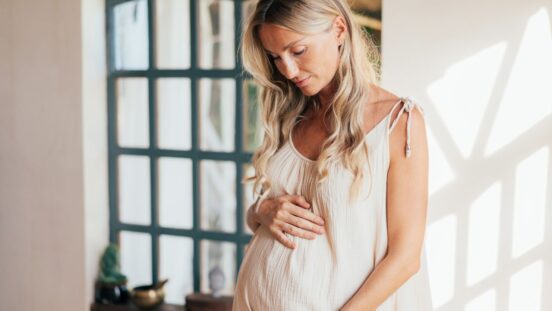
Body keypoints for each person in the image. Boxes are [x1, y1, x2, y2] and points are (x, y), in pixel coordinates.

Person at [233, 0, 432, 310]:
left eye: (297, 51)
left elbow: (405, 258)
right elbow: (264, 215)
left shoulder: (398, 122)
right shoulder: (292, 112)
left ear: (339, 29)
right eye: (275, 57)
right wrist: (261, 212)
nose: (287, 69)